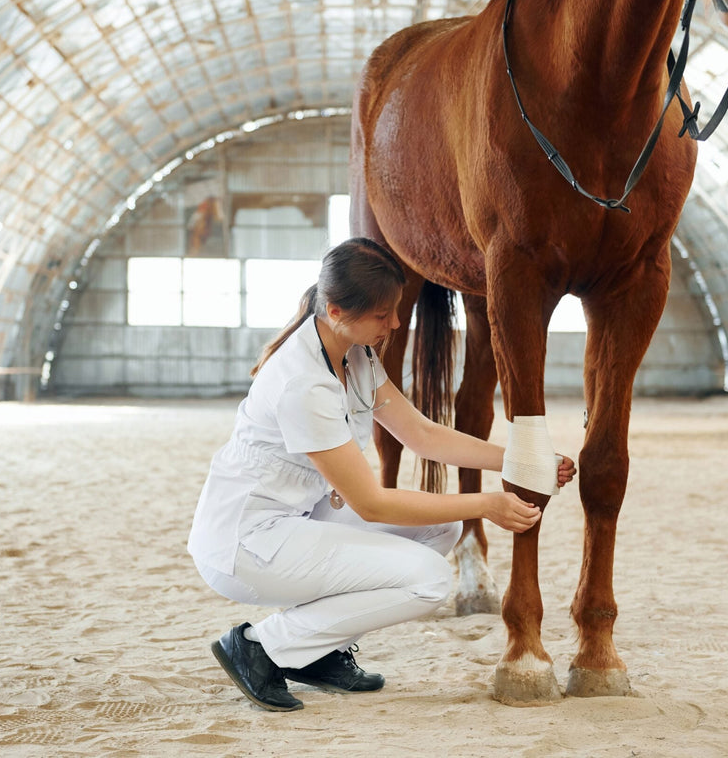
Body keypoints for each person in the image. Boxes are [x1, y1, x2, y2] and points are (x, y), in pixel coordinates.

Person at [187, 237, 576, 711]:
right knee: (429, 580)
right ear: (335, 309)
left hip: (295, 520)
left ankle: (315, 654)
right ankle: (259, 647)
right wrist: (486, 505)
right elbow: (371, 503)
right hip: (246, 546)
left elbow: (423, 435)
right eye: (381, 314)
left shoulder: (356, 354)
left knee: (441, 527)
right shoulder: (302, 383)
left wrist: (520, 461)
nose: (394, 323)